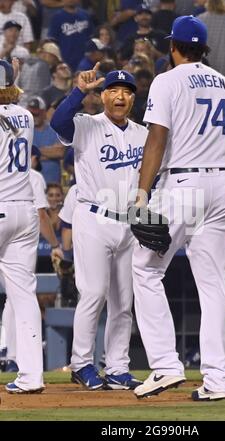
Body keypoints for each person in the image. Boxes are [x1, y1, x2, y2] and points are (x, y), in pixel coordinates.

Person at [131, 15, 225, 400]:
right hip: (224, 183)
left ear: (173, 46)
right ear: (205, 50)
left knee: (146, 269)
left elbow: (157, 140)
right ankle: (218, 381)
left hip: (184, 184)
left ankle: (166, 365)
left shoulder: (167, 80)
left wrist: (141, 193)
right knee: (213, 285)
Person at [50, 66, 148, 390]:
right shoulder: (86, 125)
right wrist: (79, 92)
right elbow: (57, 123)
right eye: (114, 90)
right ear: (103, 95)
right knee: (93, 293)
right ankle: (81, 363)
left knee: (123, 302)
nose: (120, 95)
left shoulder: (142, 134)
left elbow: (152, 177)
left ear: (133, 98)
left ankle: (118, 367)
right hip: (93, 216)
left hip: (129, 223)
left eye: (127, 91)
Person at [0, 58, 44, 393]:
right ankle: (31, 376)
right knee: (24, 295)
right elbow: (11, 99)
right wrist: (12, 78)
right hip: (25, 213)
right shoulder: (26, 116)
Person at [0, 145, 64, 373]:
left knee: (13, 297)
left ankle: (12, 356)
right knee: (19, 294)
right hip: (21, 227)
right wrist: (55, 245)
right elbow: (40, 213)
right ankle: (22, 364)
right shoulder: (33, 175)